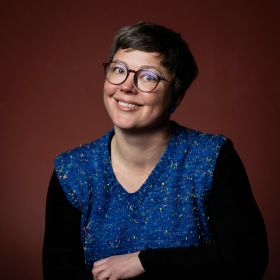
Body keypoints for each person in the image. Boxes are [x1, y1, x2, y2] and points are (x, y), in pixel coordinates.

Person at [43, 21, 268, 280]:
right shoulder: (72, 172)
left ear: (176, 96)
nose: (126, 86)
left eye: (148, 76)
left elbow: (249, 258)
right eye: (118, 70)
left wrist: (145, 261)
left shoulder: (212, 158)